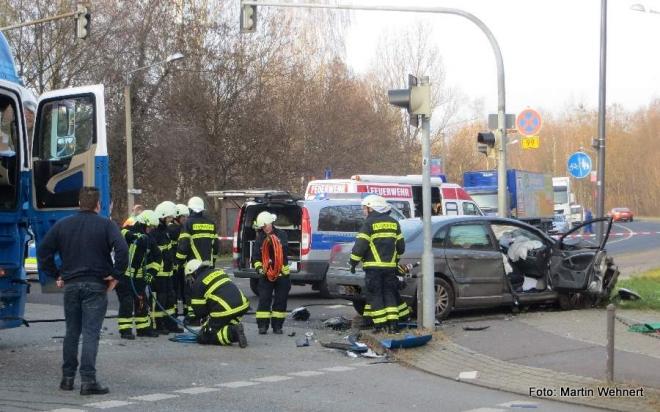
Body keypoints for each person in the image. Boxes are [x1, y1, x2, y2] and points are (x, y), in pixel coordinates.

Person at [37, 187, 128, 395]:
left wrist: (56, 274)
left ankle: (67, 378)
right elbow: (122, 250)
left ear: (79, 204)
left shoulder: (63, 225)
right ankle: (88, 380)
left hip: (71, 285)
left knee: (71, 332)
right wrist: (115, 275)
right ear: (98, 205)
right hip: (96, 285)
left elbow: (44, 251)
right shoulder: (106, 225)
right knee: (90, 333)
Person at [349, 195, 405, 333]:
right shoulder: (394, 223)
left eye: (365, 208)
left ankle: (380, 326)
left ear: (371, 208)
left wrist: (353, 263)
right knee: (390, 294)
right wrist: (394, 261)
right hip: (390, 268)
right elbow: (401, 248)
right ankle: (393, 325)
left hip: (373, 269)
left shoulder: (369, 224)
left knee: (376, 295)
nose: (364, 211)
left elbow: (360, 247)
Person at [116, 210, 161, 339]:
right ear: (143, 223)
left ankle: (143, 329)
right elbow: (122, 233)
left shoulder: (149, 239)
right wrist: (135, 237)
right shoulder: (128, 230)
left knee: (142, 302)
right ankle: (125, 330)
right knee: (127, 302)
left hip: (139, 278)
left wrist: (150, 274)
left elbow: (157, 258)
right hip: (124, 276)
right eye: (150, 227)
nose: (151, 230)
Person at [185, 260, 249, 347]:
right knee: (223, 324)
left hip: (225, 310)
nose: (191, 280)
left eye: (190, 277)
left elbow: (200, 312)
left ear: (194, 272)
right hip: (242, 305)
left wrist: (199, 321)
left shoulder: (198, 283)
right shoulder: (218, 271)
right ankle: (233, 328)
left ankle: (233, 333)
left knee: (205, 337)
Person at [176, 196, 219, 323]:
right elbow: (216, 246)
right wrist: (213, 262)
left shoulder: (188, 224)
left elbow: (184, 246)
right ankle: (205, 315)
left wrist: (178, 263)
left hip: (193, 266)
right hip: (208, 265)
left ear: (190, 209)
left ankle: (193, 316)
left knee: (192, 291)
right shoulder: (211, 224)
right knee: (206, 291)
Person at [252, 211, 291, 334]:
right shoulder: (259, 239)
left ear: (270, 223)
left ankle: (277, 326)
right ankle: (262, 326)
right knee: (264, 299)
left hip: (281, 274)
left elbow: (282, 249)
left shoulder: (282, 235)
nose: (264, 229)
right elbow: (256, 258)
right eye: (262, 227)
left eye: (265, 226)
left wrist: (271, 240)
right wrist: (260, 269)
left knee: (281, 300)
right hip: (266, 274)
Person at [150, 201, 182, 334]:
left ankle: (170, 323)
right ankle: (158, 324)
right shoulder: (155, 233)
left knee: (170, 298)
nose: (170, 220)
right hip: (159, 273)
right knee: (160, 299)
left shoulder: (165, 232)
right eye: (168, 218)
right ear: (162, 217)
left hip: (168, 272)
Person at [168, 203, 190, 316]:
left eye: (186, 217)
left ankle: (177, 311)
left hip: (178, 263)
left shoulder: (174, 228)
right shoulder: (176, 229)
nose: (185, 219)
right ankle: (182, 311)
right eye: (183, 217)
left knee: (179, 289)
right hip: (177, 263)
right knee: (178, 289)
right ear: (177, 217)